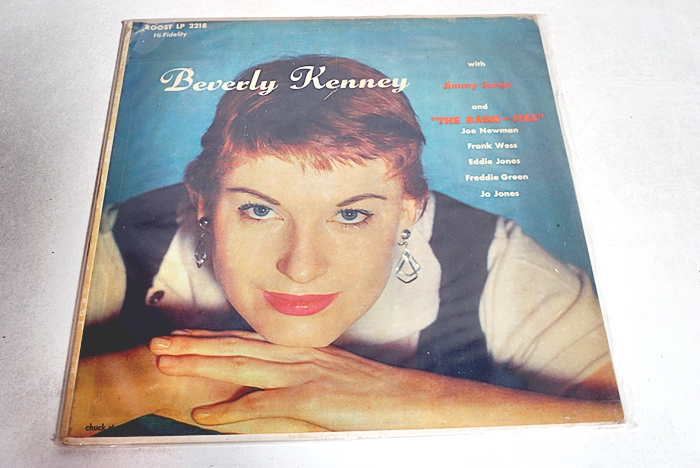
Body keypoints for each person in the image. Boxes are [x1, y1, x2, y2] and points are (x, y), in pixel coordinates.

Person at [67, 55, 622, 437]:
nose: (302, 268)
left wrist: (404, 399)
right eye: (258, 210)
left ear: (408, 211)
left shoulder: (492, 259)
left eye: (351, 214)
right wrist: (155, 377)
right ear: (203, 202)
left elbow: (643, 429)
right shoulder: (126, 238)